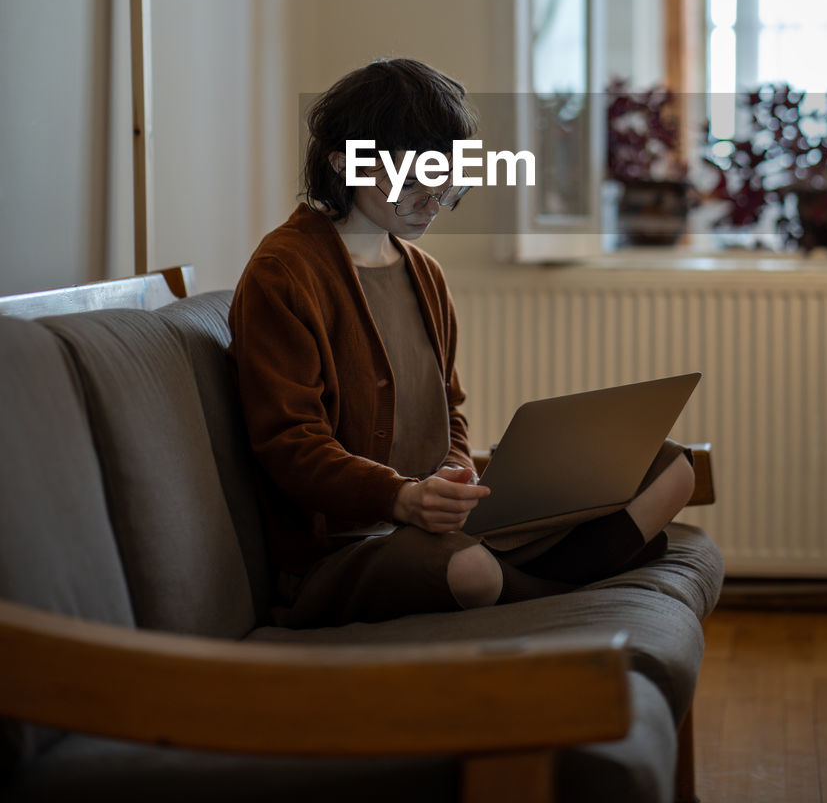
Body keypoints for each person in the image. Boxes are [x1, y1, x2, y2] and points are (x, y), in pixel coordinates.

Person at [228, 57, 695, 627]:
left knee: (673, 466)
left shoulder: (423, 272)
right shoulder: (284, 273)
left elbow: (449, 414)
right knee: (468, 571)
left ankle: (533, 576)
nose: (432, 198)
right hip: (352, 546)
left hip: (439, 522)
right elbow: (289, 444)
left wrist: (454, 478)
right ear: (343, 162)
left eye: (445, 177)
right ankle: (569, 576)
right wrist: (402, 498)